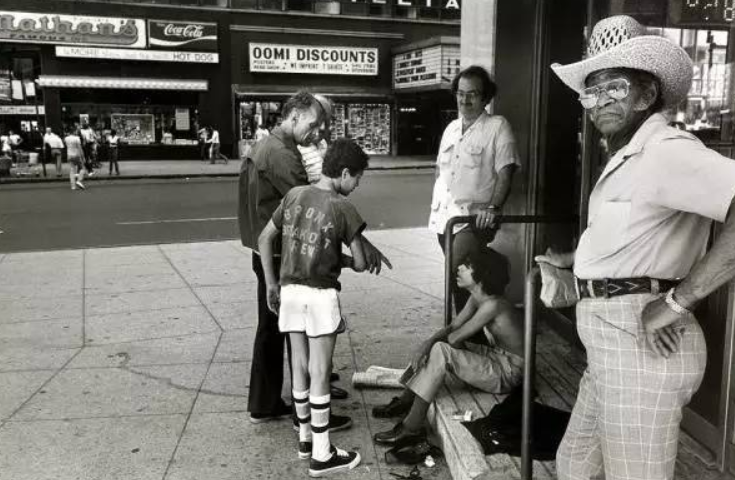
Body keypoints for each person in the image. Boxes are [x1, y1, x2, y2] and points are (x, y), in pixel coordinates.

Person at [538, 15, 735, 480]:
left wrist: (675, 301)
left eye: (616, 87)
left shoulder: (666, 150)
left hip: (642, 346)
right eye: (591, 91)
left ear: (647, 95)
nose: (600, 101)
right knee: (574, 467)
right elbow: (638, 231)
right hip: (612, 346)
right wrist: (578, 260)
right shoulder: (630, 156)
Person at [238, 90, 392, 429]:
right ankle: (304, 410)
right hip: (283, 256)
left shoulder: (268, 146)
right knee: (301, 335)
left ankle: (270, 403)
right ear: (294, 117)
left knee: (275, 329)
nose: (317, 132)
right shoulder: (281, 154)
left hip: (269, 249)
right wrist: (360, 246)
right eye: (313, 124)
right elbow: (318, 206)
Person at [259, 138, 372, 476]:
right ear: (345, 172)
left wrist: (271, 282)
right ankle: (322, 455)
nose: (357, 185)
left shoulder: (294, 195)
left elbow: (266, 237)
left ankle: (305, 439)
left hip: (290, 291)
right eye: (358, 179)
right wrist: (347, 258)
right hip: (321, 295)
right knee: (322, 371)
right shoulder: (343, 207)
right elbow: (363, 263)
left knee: (301, 366)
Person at [372, 250, 523, 445]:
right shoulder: (478, 297)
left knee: (440, 350)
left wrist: (427, 347)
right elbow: (452, 327)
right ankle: (406, 400)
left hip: (509, 373)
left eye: (467, 266)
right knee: (436, 346)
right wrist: (426, 344)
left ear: (483, 274)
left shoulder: (493, 305)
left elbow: (454, 338)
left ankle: (411, 428)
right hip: (497, 357)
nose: (459, 268)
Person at [429, 65, 521, 324]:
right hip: (443, 217)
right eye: (460, 93)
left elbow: (506, 170)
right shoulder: (450, 128)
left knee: (456, 274)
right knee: (463, 281)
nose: (465, 100)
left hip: (472, 218)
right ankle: (474, 337)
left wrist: (493, 208)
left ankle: (470, 333)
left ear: (485, 97)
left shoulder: (497, 126)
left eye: (472, 94)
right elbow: (440, 170)